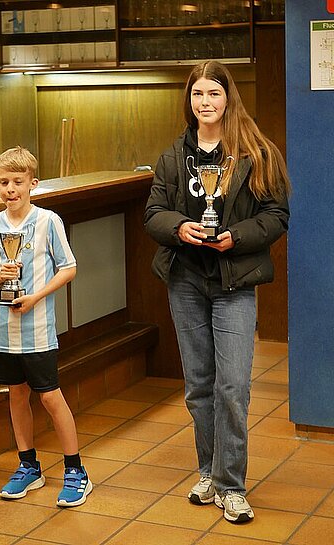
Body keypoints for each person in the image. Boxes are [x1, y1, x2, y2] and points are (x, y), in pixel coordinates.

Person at [144, 61, 290, 524]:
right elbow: (153, 213)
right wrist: (179, 227)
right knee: (198, 386)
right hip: (185, 281)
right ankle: (208, 472)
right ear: (188, 101)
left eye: (213, 93)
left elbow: (276, 215)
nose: (204, 102)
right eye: (197, 94)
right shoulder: (174, 156)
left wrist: (236, 237)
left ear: (229, 98)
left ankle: (232, 486)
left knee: (233, 387)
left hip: (234, 283)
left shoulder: (257, 152)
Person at [0, 146, 92, 507]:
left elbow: (68, 268)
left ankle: (76, 471)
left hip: (38, 329)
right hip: (3, 332)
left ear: (33, 184)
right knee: (16, 394)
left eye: (18, 182)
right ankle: (28, 465)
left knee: (49, 396)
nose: (10, 189)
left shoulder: (48, 221)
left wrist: (36, 296)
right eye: (4, 182)